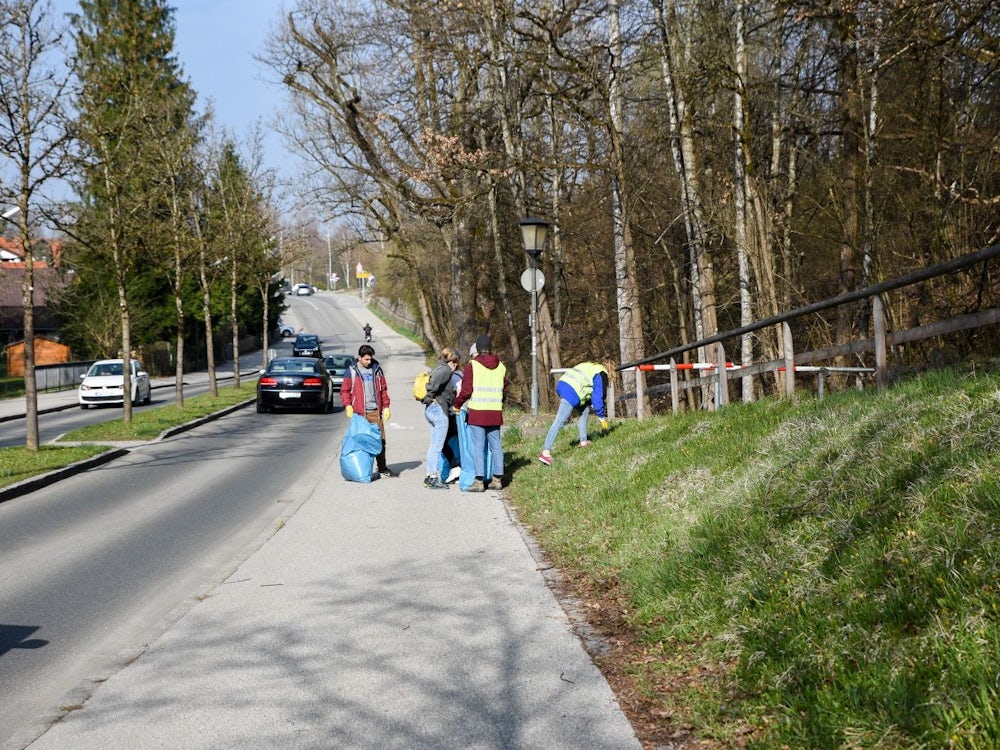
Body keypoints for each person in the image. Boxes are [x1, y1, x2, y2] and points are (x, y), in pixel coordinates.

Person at [453, 334, 508, 492]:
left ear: (477, 349)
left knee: (478, 447)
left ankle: (479, 482)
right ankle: (497, 480)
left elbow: (466, 390)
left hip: (477, 413)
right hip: (495, 413)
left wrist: (457, 405)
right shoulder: (501, 367)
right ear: (490, 348)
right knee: (496, 446)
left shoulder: (473, 365)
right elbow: (504, 391)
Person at [539, 357, 615, 466]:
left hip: (563, 384)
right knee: (560, 421)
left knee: (584, 410)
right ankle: (545, 452)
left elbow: (587, 388)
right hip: (571, 391)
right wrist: (602, 418)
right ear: (610, 370)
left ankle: (583, 441)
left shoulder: (590, 365)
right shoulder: (601, 374)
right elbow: (598, 398)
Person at [340, 344, 394, 477]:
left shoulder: (377, 370)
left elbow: (383, 391)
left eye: (370, 359)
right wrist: (347, 405)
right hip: (360, 414)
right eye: (366, 359)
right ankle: (364, 470)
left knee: (380, 441)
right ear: (359, 358)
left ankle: (382, 468)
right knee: (362, 443)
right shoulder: (352, 371)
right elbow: (345, 390)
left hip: (375, 412)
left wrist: (386, 406)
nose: (369, 362)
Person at [421, 347, 461, 489]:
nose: (456, 367)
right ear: (452, 362)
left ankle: (430, 476)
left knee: (434, 445)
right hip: (438, 410)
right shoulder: (445, 371)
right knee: (437, 446)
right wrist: (428, 398)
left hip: (432, 410)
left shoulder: (437, 367)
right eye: (456, 364)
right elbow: (431, 387)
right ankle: (432, 478)